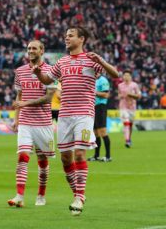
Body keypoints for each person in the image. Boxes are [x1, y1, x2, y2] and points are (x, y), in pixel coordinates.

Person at [33, 26, 118, 216]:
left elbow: (115, 75)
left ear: (82, 39)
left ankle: (79, 197)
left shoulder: (91, 59)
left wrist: (102, 61)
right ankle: (77, 194)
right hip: (65, 115)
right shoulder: (62, 62)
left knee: (80, 154)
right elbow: (48, 80)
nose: (66, 38)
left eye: (70, 35)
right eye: (65, 36)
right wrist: (38, 73)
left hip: (84, 114)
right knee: (65, 158)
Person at [7, 40, 56, 208]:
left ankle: (41, 194)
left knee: (42, 160)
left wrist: (25, 104)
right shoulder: (20, 71)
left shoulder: (50, 71)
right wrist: (16, 119)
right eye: (28, 48)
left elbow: (48, 98)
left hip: (43, 123)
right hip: (26, 122)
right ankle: (19, 195)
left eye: (34, 48)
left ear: (42, 50)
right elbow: (19, 97)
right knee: (22, 157)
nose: (30, 51)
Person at [89, 74, 112, 162]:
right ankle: (96, 155)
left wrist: (94, 92)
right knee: (95, 133)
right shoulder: (92, 79)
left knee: (103, 132)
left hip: (100, 107)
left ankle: (108, 156)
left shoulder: (103, 80)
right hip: (92, 107)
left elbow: (106, 95)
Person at [118, 70, 141, 148]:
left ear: (131, 76)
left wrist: (130, 94)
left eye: (128, 75)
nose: (126, 77)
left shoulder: (134, 85)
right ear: (123, 76)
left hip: (132, 107)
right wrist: (120, 96)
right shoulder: (120, 85)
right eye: (125, 75)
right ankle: (127, 140)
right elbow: (119, 95)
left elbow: (138, 96)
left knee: (130, 124)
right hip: (123, 107)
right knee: (126, 123)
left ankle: (129, 139)